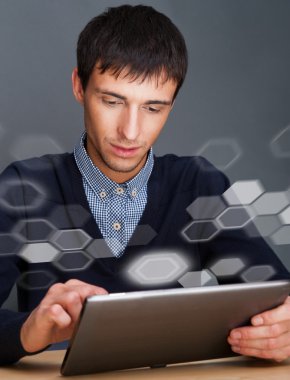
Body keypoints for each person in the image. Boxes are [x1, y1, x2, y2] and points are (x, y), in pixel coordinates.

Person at [0, 4, 290, 366]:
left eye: (153, 108)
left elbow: (277, 299)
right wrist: (29, 330)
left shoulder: (199, 185)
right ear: (79, 86)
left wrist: (281, 329)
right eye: (112, 101)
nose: (131, 132)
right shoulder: (25, 186)